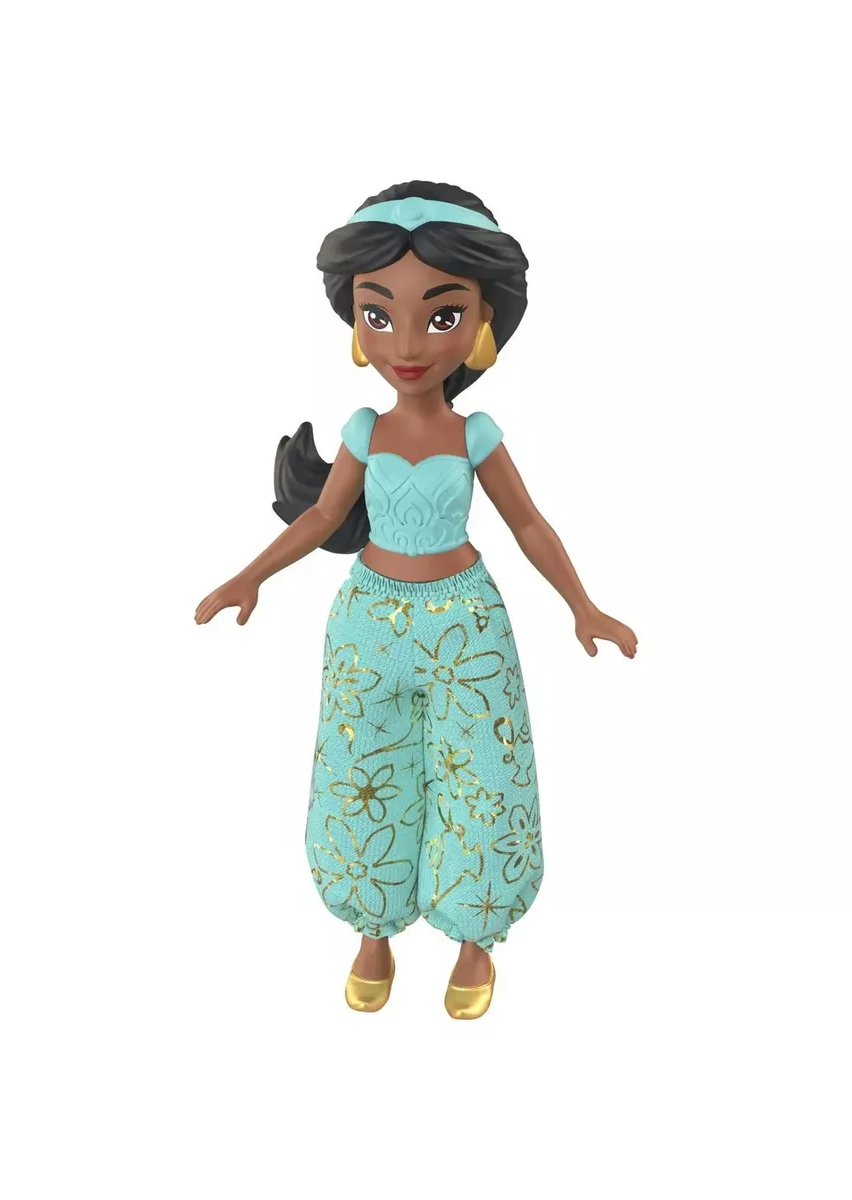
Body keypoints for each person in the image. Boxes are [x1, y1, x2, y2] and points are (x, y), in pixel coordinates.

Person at [195, 181, 637, 1019]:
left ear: (482, 323)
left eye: (441, 316)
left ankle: (476, 934)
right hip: (368, 619)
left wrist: (582, 605)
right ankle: (373, 921)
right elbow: (323, 516)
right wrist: (250, 575)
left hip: (466, 622)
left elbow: (529, 523)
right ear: (355, 323)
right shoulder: (365, 430)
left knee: (486, 776)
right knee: (361, 766)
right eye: (378, 313)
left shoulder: (476, 435)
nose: (405, 342)